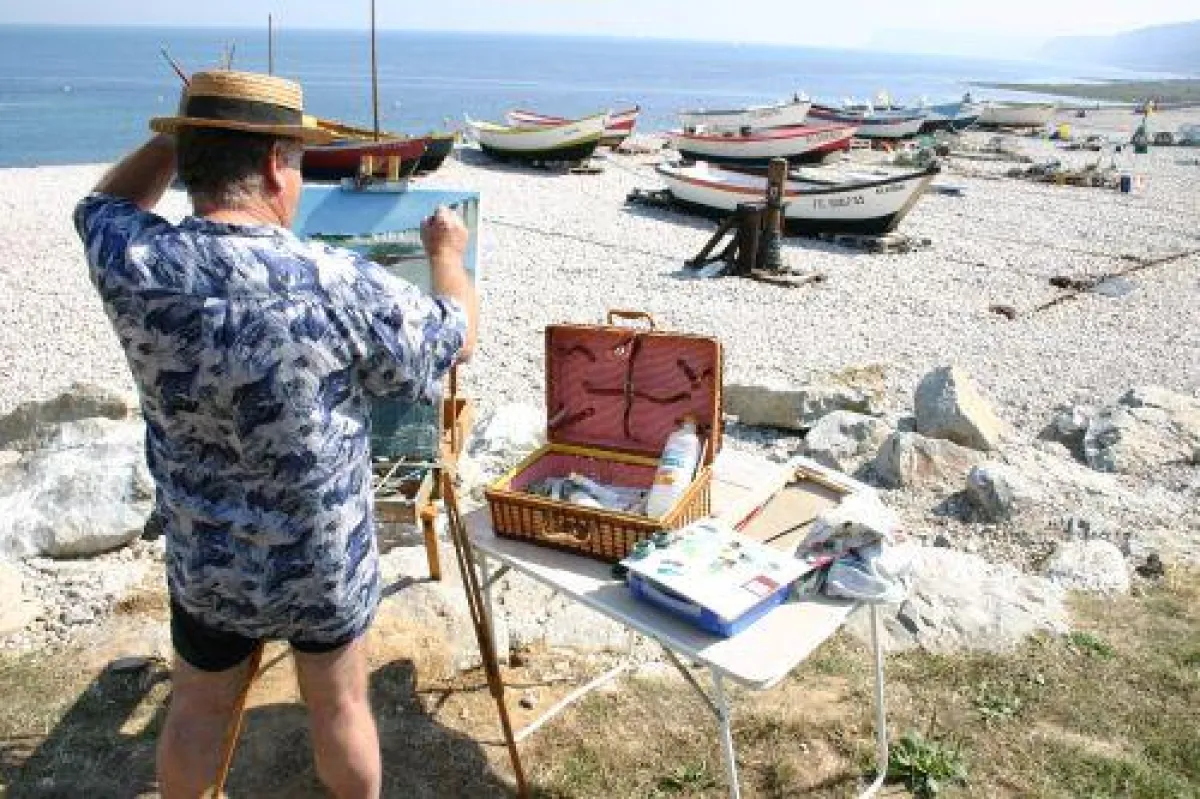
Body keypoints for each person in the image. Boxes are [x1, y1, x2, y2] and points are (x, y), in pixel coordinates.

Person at [73, 70, 477, 798]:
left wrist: (176, 137)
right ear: (272, 166)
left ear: (192, 158)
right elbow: (454, 337)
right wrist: (446, 253)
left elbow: (102, 204)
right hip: (321, 559)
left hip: (206, 554)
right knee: (341, 705)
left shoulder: (136, 263)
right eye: (295, 158)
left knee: (196, 709)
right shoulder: (338, 281)